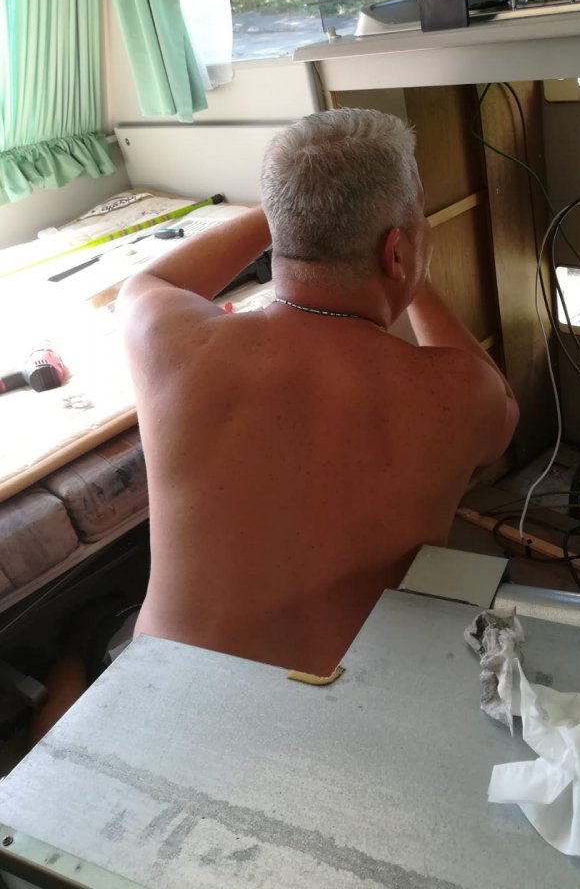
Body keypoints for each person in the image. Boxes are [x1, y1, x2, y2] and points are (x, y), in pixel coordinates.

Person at [33, 109, 518, 743]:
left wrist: (296, 207)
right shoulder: (463, 394)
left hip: (167, 702)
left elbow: (151, 277)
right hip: (347, 718)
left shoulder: (164, 334)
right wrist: (409, 267)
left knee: (91, 655)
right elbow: (503, 417)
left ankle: (72, 662)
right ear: (397, 251)